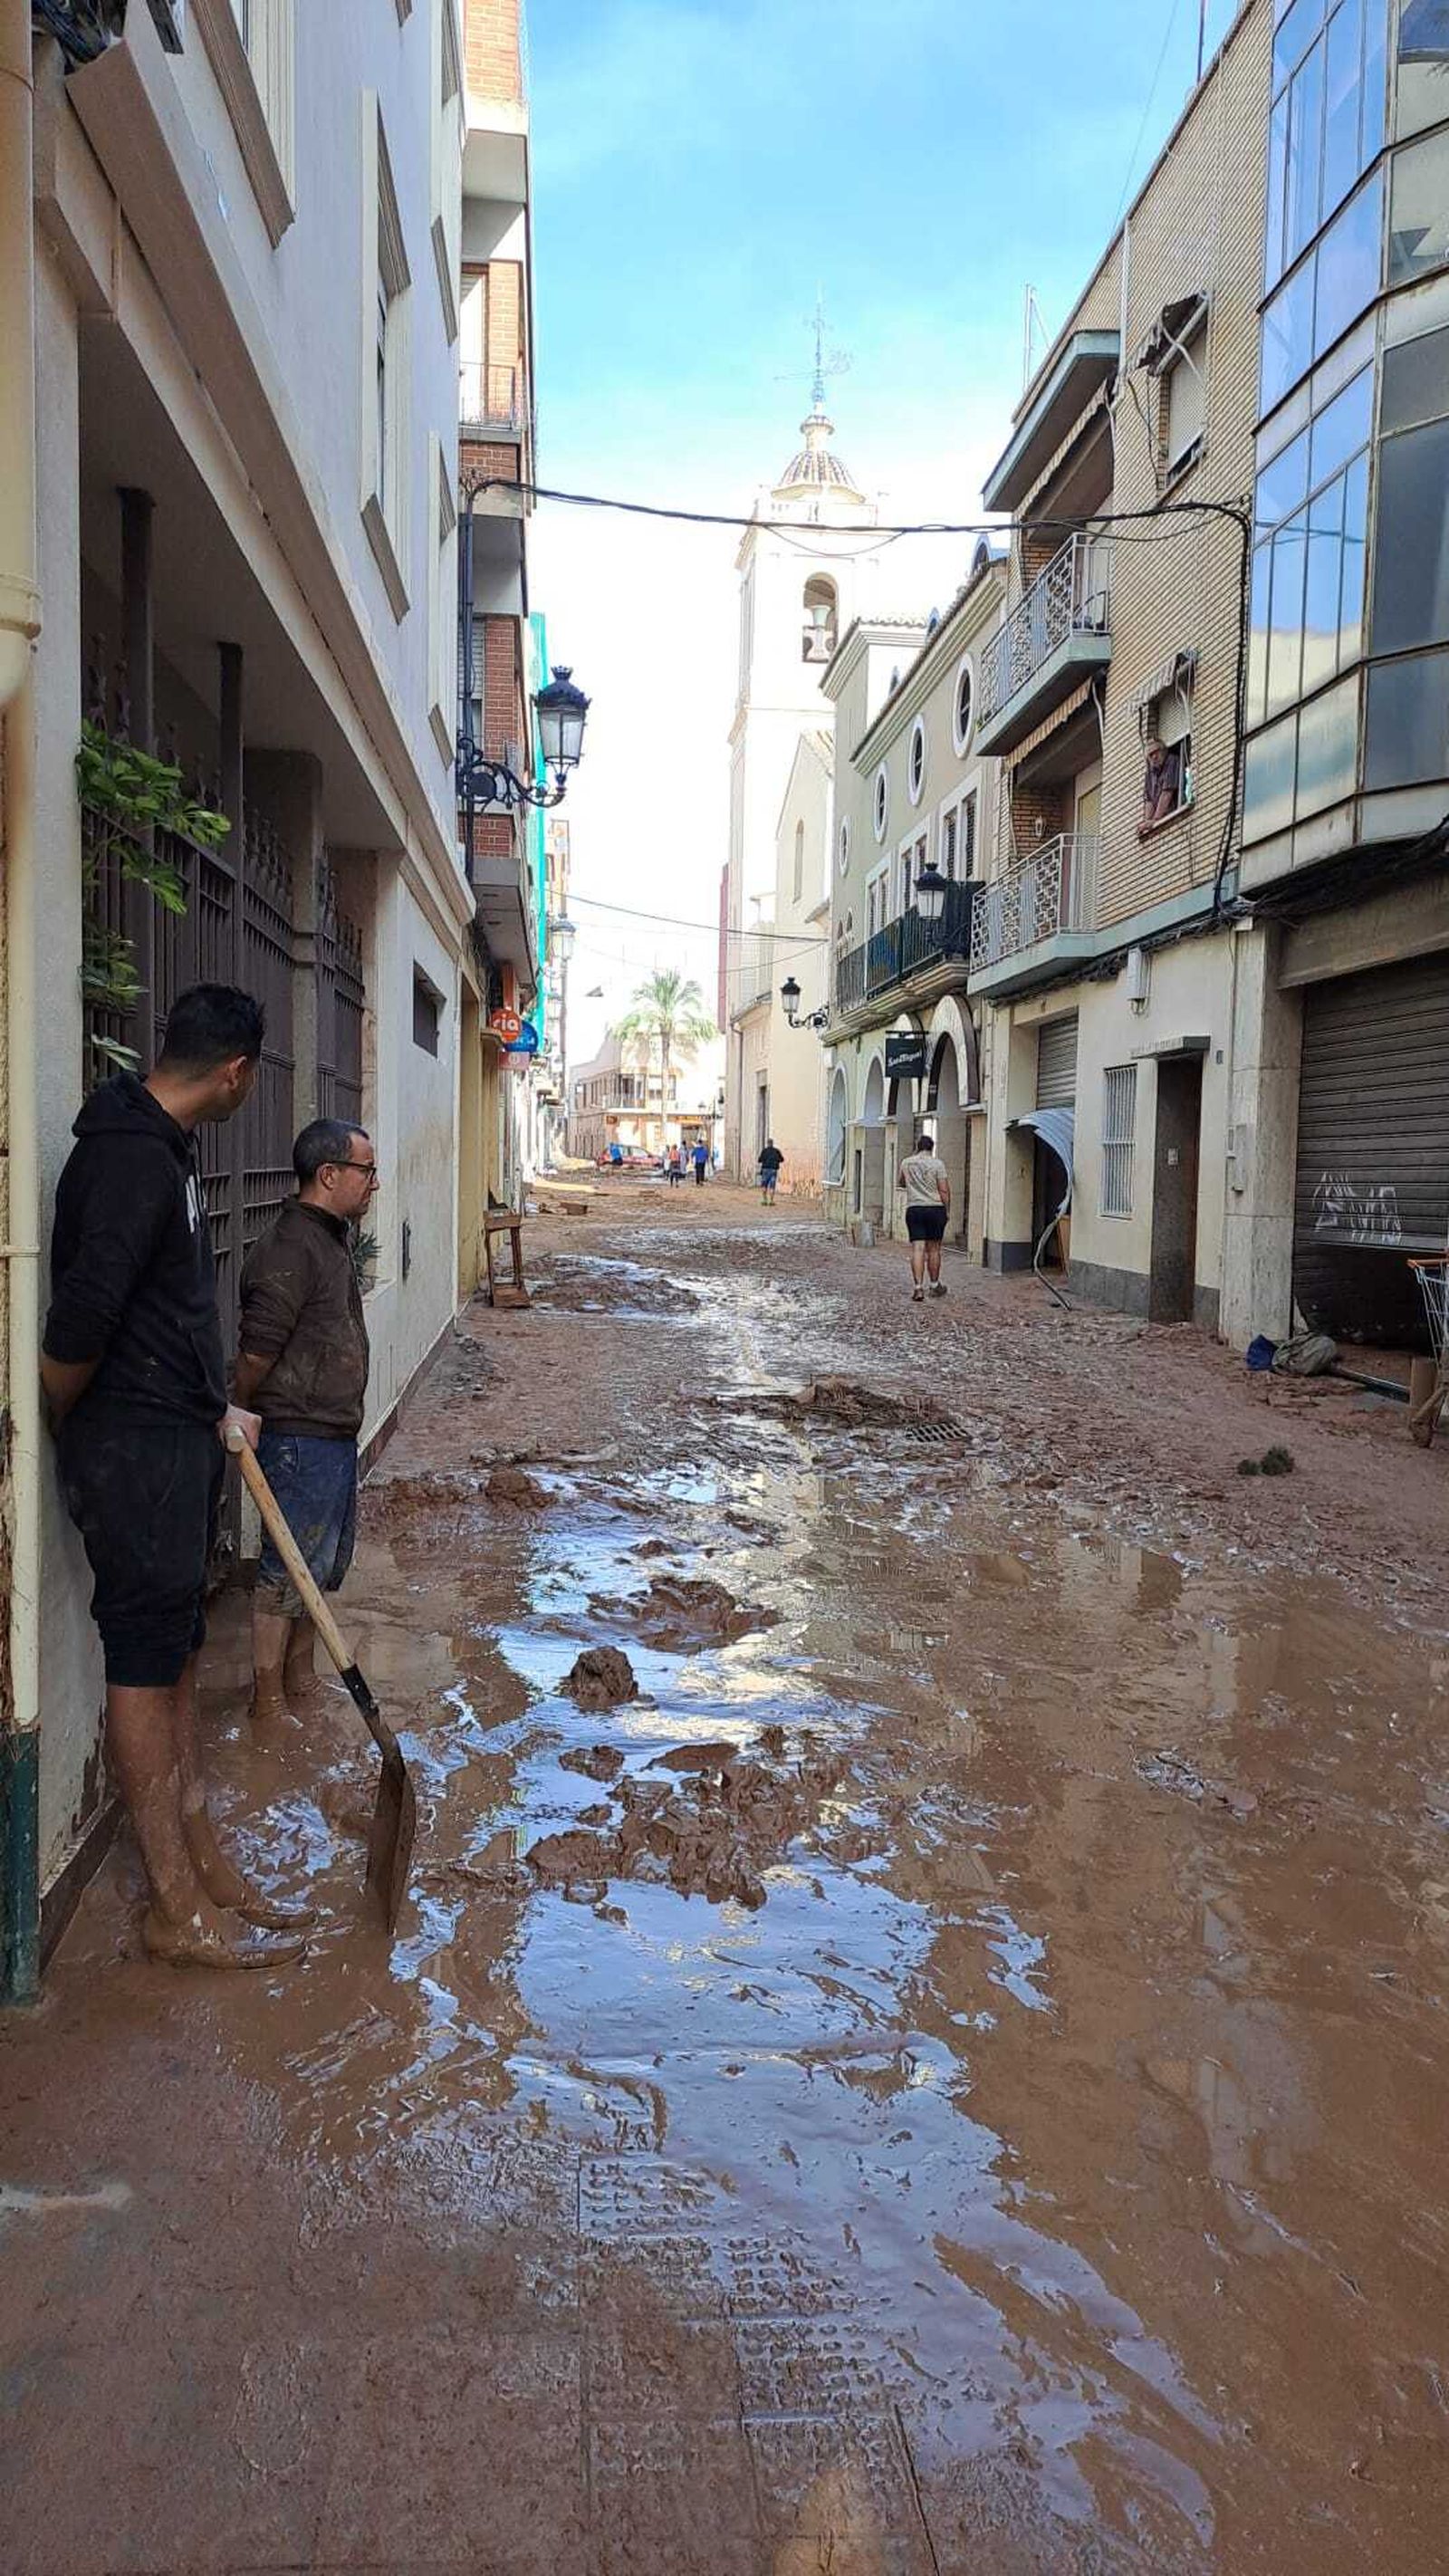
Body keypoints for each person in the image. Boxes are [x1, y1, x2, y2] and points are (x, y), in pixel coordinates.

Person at [41, 985, 312, 1971]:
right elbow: (79, 1325)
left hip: (178, 1439)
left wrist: (210, 1405)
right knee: (146, 1662)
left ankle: (204, 1862)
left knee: (181, 1646)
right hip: (135, 1453)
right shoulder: (125, 1160)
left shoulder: (167, 1150)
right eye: (253, 1077)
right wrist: (85, 1420)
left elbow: (165, 1313)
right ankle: (172, 1907)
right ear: (236, 1073)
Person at [233, 1119, 377, 1726]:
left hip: (331, 1435)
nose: (374, 1183)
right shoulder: (291, 1248)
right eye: (367, 1171)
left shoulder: (329, 1237)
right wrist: (239, 1411)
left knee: (314, 1570)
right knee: (285, 1572)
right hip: (297, 1439)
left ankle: (301, 1680)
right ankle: (267, 1700)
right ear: (329, 1174)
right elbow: (256, 1352)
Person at [897, 1130, 951, 1302]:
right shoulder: (938, 1164)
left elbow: (901, 1182)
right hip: (935, 1208)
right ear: (932, 1148)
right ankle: (934, 1285)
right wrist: (947, 1209)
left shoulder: (906, 1163)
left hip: (915, 1209)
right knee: (934, 1249)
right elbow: (944, 1190)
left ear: (917, 1147)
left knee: (918, 1248)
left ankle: (918, 1288)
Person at [1139, 731, 1182, 836]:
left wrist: (1156, 820)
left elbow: (1167, 794)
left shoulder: (1172, 761)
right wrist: (1147, 823)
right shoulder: (1149, 774)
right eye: (1151, 755)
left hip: (1174, 820)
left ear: (1163, 751)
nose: (1154, 757)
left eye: (1156, 752)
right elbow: (1149, 802)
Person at [758, 1139, 784, 1205]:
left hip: (765, 1170)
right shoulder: (776, 1151)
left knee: (764, 1185)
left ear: (767, 1143)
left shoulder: (764, 1151)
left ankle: (764, 1200)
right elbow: (782, 1159)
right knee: (772, 1186)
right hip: (773, 1170)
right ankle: (771, 1201)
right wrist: (776, 1161)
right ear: (772, 1143)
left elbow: (760, 1160)